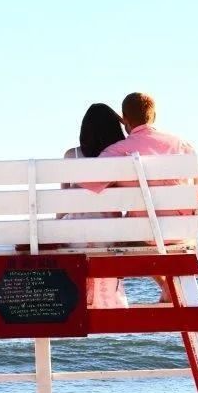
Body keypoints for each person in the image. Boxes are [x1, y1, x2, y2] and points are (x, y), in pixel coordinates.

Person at [82, 92, 198, 301]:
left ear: (125, 121)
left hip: (142, 234)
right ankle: (169, 287)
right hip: (180, 232)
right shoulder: (182, 146)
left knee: (132, 234)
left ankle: (166, 285)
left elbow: (89, 185)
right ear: (154, 116)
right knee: (150, 231)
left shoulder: (118, 151)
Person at [63, 103, 128, 309]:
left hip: (74, 240)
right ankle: (107, 298)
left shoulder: (70, 155)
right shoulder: (119, 158)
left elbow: (62, 204)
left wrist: (53, 232)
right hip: (108, 239)